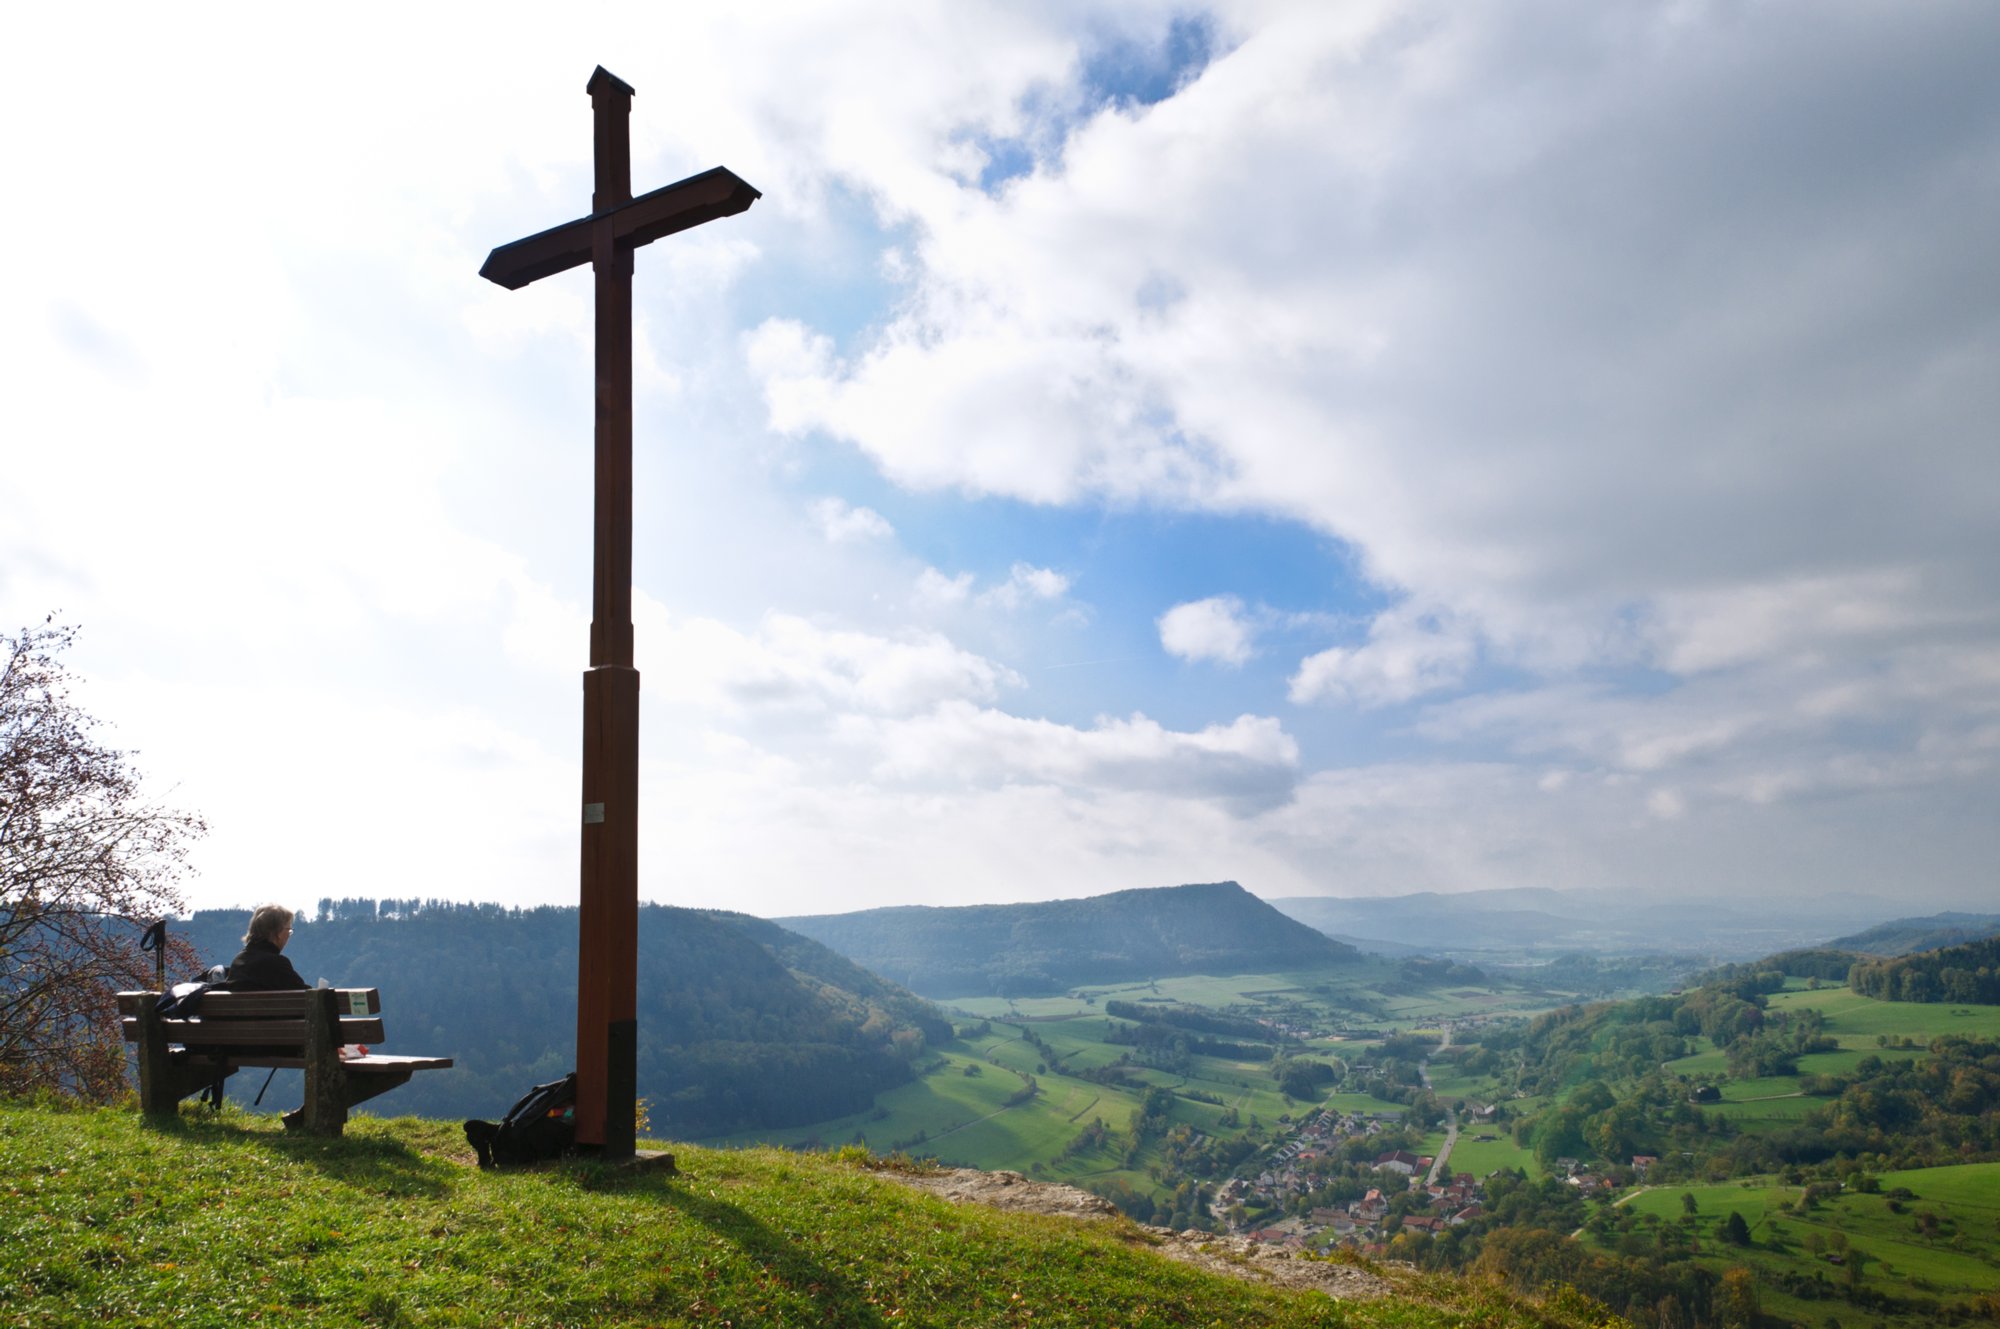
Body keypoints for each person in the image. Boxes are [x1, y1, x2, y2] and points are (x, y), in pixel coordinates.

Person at [227, 904, 309, 991]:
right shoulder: (276, 964)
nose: (289, 935)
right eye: (289, 930)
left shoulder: (238, 962)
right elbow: (304, 995)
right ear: (278, 933)